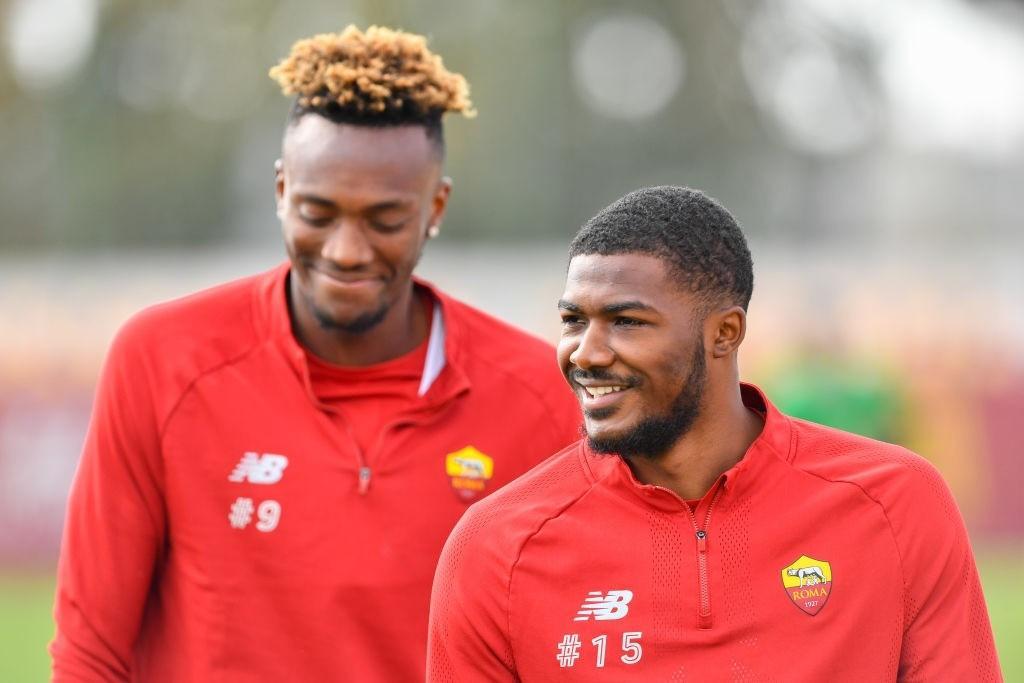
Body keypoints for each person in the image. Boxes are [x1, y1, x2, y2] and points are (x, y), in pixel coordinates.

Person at [51, 26, 580, 682]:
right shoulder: (161, 360)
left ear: (434, 207)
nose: (346, 250)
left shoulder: (539, 396)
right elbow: (88, 651)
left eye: (384, 220)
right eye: (316, 212)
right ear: (280, 192)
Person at [427, 186, 1003, 681]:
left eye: (626, 322)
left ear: (725, 333)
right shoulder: (495, 546)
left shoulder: (899, 504)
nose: (586, 353)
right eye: (573, 321)